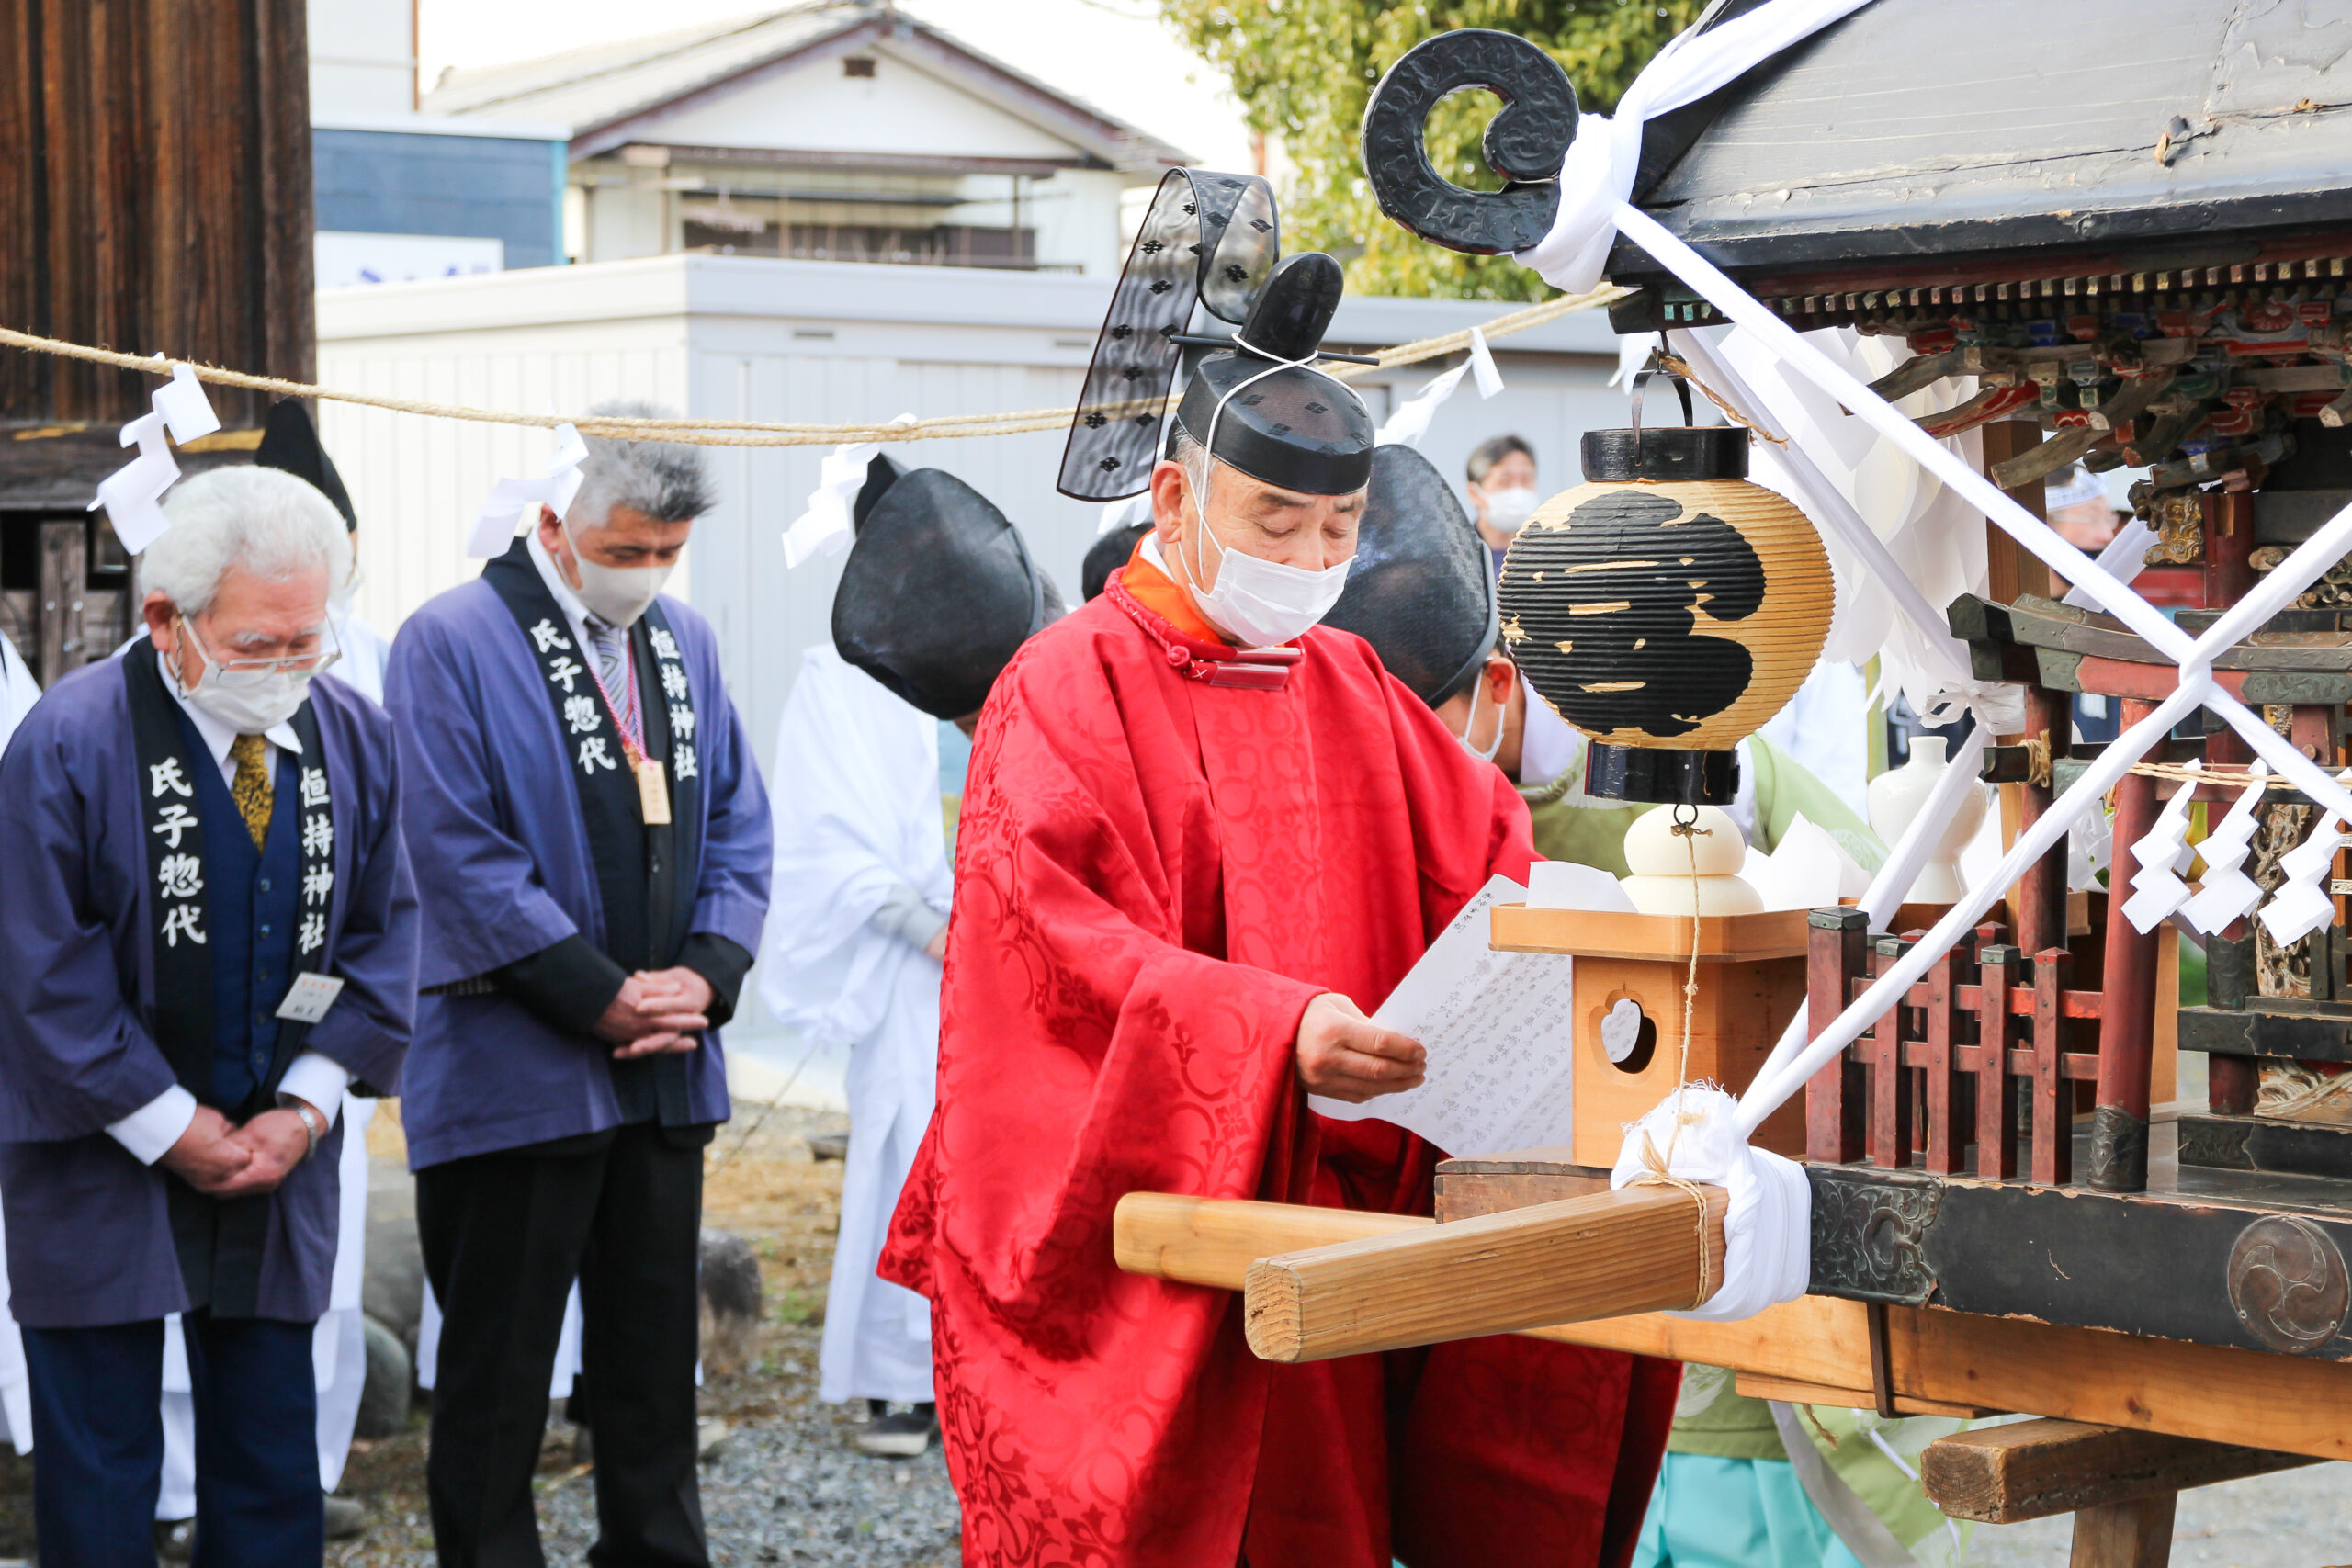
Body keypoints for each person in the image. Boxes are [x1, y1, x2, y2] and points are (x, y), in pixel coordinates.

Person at [880, 252, 1677, 1568]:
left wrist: (1612, 939)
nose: (1310, 560)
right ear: (1176, 493)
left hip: (1339, 1216)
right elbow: (1050, 959)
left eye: (1338, 528)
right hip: (1176, 1228)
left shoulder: (1350, 678)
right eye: (1272, 523)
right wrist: (1273, 1028)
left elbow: (1489, 868)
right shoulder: (1065, 687)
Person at [1329, 434, 1965, 1568]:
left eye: (1415, 737)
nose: (1404, 773)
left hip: (1732, 1233)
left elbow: (1879, 902)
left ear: (1494, 687)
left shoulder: (1709, 761)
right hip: (1531, 1256)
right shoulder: (1389, 806)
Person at [0, 466, 417, 1565]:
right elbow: (42, 966)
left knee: (272, 1455)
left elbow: (387, 932)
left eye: (305, 641)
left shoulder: (353, 734)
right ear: (165, 621)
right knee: (98, 1462)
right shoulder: (68, 740)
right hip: (96, 1146)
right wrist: (168, 1124)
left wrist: (311, 1107)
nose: (286, 671)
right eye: (256, 646)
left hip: (279, 1150)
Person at [386, 404, 771, 1568]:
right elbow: (451, 850)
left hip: (666, 1071)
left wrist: (702, 977)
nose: (646, 575)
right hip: (519, 1066)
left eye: (666, 553)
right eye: (624, 551)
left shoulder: (683, 642)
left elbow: (741, 829)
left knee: (655, 1364)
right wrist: (597, 993)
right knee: (500, 1370)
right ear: (554, 525)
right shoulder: (447, 639)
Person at [763, 466, 1061, 1459]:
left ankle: (1002, 1361)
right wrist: (924, 923)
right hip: (915, 961)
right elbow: (820, 838)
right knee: (907, 1152)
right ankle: (902, 1378)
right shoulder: (837, 673)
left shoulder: (1020, 645)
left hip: (1016, 949)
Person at [1465, 431, 1541, 562]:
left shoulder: (1549, 554)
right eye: (1505, 482)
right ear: (1475, 494)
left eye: (1526, 480)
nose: (1518, 490)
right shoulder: (1456, 557)